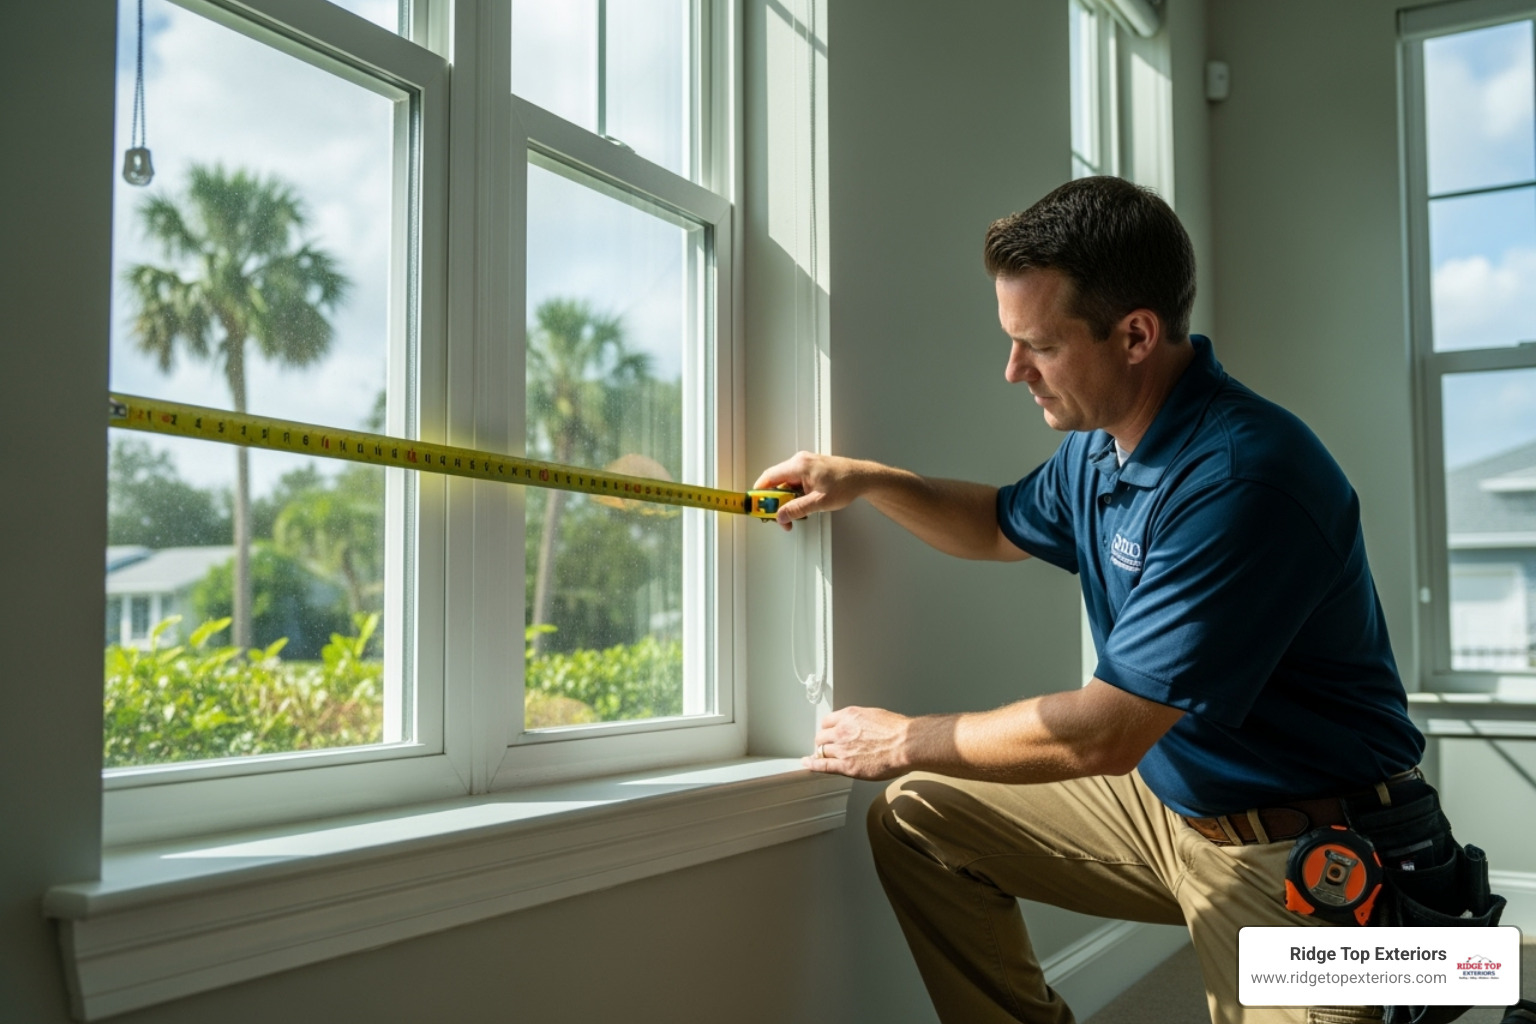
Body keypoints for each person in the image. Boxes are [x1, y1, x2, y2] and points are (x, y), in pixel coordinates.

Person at [752, 176, 1430, 1024]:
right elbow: (996, 523)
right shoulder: (1103, 447)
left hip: (1297, 846)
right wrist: (868, 481)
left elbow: (1104, 733)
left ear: (1136, 334)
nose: (1013, 370)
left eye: (1038, 345)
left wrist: (905, 739)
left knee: (918, 770)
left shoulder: (1242, 479)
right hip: (1171, 806)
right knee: (920, 816)